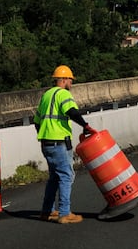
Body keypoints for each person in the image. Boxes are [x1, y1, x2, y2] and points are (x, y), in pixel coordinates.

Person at [33, 64, 94, 224]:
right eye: (70, 80)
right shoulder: (63, 94)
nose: (71, 84)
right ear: (64, 79)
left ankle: (47, 211)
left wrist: (45, 134)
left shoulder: (46, 95)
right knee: (66, 176)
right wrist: (85, 125)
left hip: (46, 143)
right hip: (60, 142)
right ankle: (64, 213)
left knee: (54, 177)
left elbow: (37, 121)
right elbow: (71, 112)